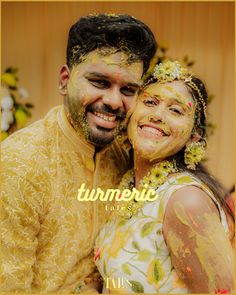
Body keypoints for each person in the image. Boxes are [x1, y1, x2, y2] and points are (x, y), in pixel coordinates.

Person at [0, 14, 157, 293]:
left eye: (128, 89)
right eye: (99, 82)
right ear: (64, 81)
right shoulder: (19, 163)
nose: (112, 101)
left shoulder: (125, 155)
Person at [95, 60, 235, 293]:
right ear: (130, 114)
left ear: (194, 136)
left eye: (176, 110)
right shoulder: (128, 185)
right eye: (150, 102)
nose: (157, 115)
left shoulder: (187, 201)